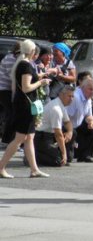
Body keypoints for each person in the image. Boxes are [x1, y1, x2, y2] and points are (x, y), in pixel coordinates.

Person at [0, 39, 51, 179]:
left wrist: (40, 76)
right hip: (25, 107)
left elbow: (26, 82)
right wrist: (41, 82)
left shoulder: (23, 64)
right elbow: (26, 87)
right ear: (33, 52)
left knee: (29, 138)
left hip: (25, 105)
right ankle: (1, 167)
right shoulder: (25, 65)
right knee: (19, 139)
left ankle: (34, 169)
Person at [34, 85, 74, 167]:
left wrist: (70, 132)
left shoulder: (61, 105)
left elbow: (67, 122)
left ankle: (61, 154)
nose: (71, 99)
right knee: (58, 161)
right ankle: (33, 156)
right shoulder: (56, 109)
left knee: (74, 133)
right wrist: (64, 153)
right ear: (61, 95)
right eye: (69, 96)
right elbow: (58, 134)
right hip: (41, 137)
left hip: (51, 135)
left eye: (72, 96)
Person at [66, 77, 93, 162]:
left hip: (78, 124)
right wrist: (70, 131)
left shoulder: (88, 98)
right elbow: (66, 117)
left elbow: (89, 115)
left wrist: (91, 121)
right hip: (68, 125)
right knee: (69, 158)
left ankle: (85, 156)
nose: (92, 92)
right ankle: (70, 153)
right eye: (90, 89)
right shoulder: (75, 97)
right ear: (83, 88)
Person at [0, 42, 20, 145]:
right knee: (12, 113)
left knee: (11, 113)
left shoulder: (13, 58)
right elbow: (12, 76)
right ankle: (6, 139)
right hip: (4, 89)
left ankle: (8, 138)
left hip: (7, 89)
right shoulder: (10, 59)